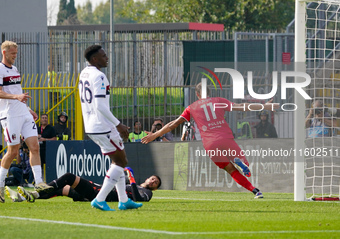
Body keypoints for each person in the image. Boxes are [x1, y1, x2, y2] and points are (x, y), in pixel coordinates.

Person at [142, 83, 280, 198]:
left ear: (197, 95)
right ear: (209, 92)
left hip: (210, 144)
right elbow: (241, 106)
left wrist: (155, 135)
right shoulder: (219, 101)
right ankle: (242, 162)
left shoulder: (192, 107)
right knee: (242, 163)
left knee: (230, 169)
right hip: (225, 138)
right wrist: (264, 106)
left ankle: (255, 191)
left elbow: (174, 124)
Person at [79, 44, 142, 211]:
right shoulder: (99, 76)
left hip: (91, 125)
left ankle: (123, 200)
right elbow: (100, 105)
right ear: (94, 59)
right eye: (103, 55)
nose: (107, 58)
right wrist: (118, 124)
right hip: (103, 126)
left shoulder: (84, 73)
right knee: (121, 162)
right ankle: (99, 199)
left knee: (116, 162)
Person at [0, 40, 53, 203]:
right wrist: (16, 98)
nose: (15, 56)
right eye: (12, 53)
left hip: (23, 113)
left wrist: (27, 108)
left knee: (34, 146)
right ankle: (0, 184)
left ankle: (39, 183)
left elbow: (18, 91)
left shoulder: (14, 69)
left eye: (16, 53)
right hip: (10, 115)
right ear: (4, 52)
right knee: (13, 151)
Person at [6, 168, 161, 203]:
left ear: (154, 188)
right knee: (62, 190)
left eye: (155, 183)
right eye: (153, 178)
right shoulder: (126, 182)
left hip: (98, 193)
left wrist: (132, 179)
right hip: (98, 190)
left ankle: (38, 190)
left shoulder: (147, 193)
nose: (153, 181)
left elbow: (139, 199)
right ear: (148, 178)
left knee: (68, 177)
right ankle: (26, 196)